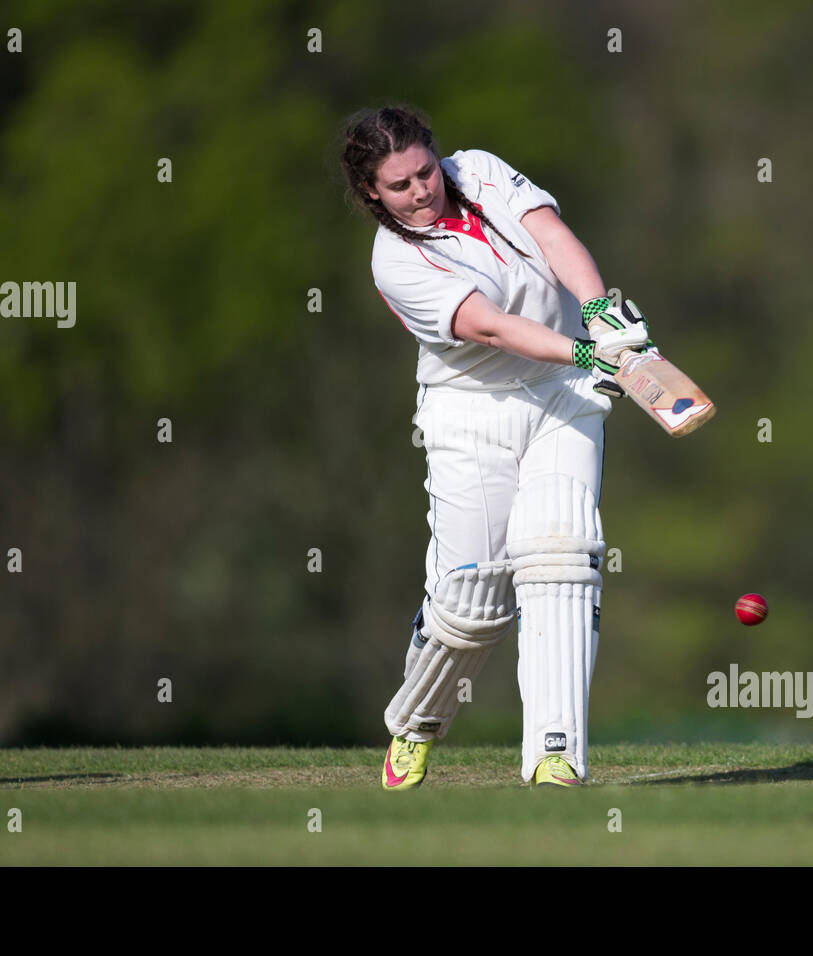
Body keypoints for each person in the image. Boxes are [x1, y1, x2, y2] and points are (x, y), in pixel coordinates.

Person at [339, 105, 650, 789]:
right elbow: (488, 328)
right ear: (372, 193)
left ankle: (554, 753)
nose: (422, 190)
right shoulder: (394, 260)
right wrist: (588, 350)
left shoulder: (477, 171)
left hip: (563, 394)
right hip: (469, 415)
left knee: (563, 552)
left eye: (425, 171)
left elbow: (553, 236)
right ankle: (416, 725)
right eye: (400, 186)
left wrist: (599, 311)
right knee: (473, 601)